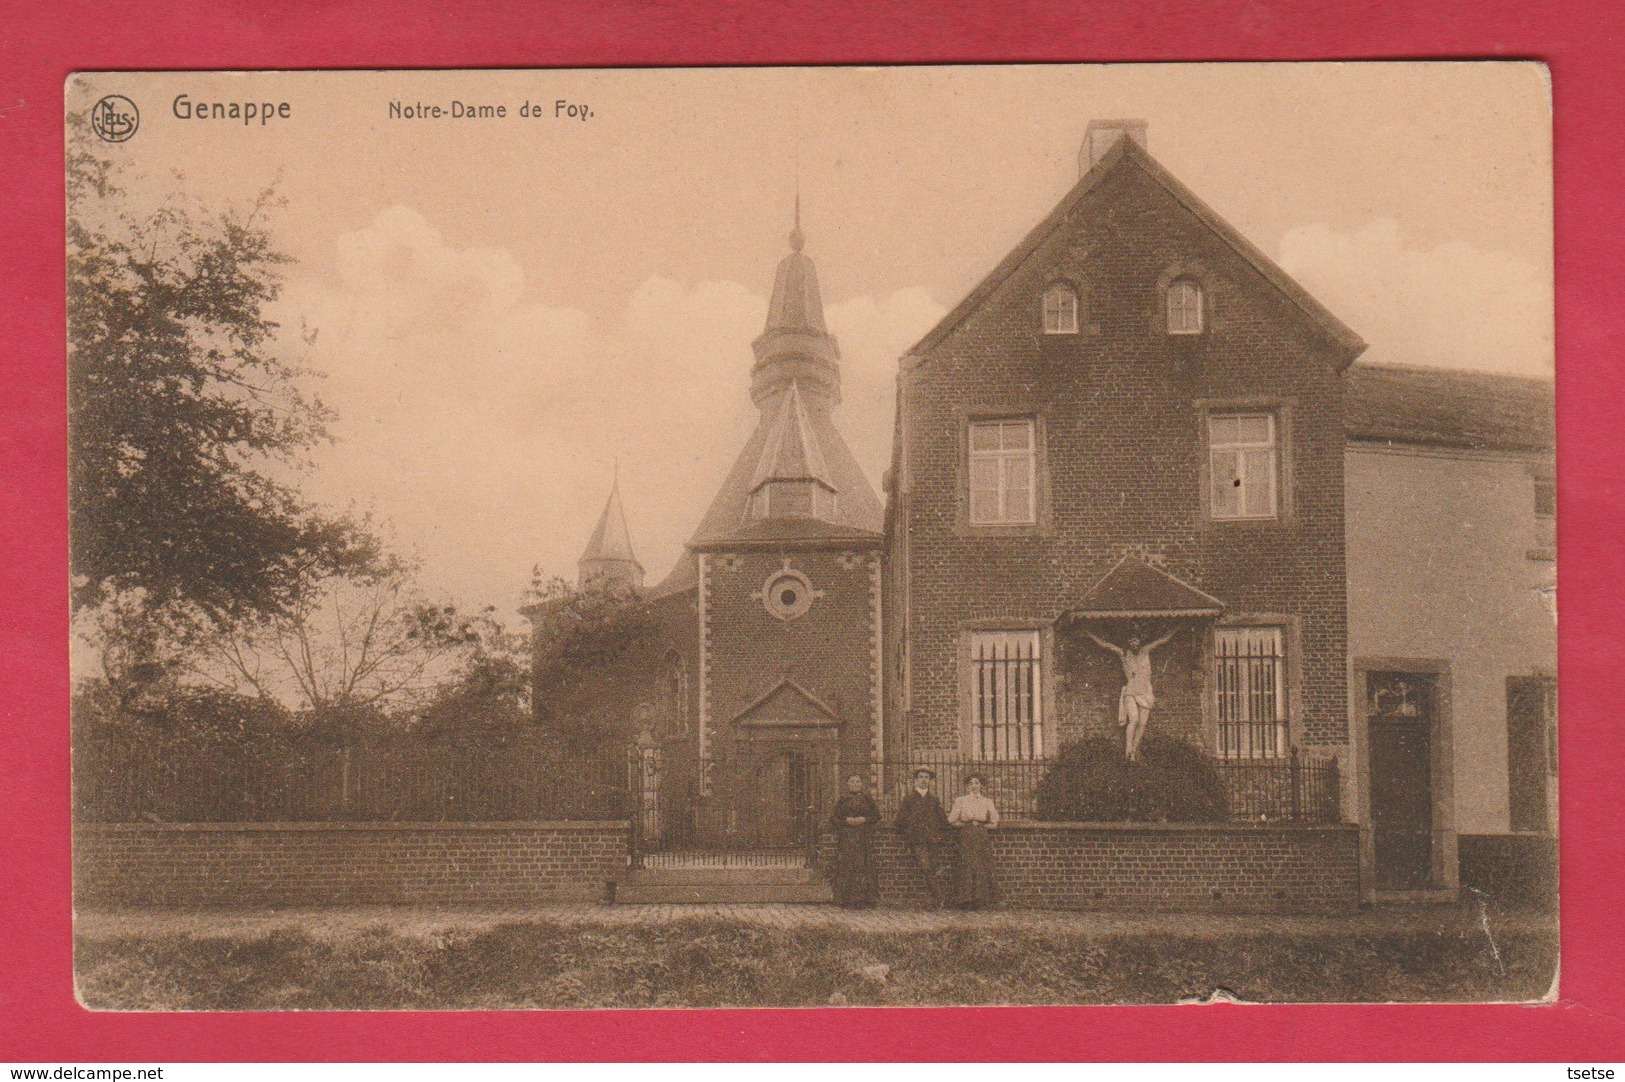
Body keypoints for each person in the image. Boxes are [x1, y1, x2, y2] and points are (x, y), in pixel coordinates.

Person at [1082, 626, 1177, 763]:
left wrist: (1175, 630)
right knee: (1134, 719)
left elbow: (1161, 641)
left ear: (1140, 641)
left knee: (1143, 724)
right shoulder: (1124, 654)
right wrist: (1090, 634)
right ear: (1128, 642)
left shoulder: (1145, 651)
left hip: (1145, 691)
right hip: (1131, 691)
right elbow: (1106, 645)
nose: (1134, 643)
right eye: (1131, 641)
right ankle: (1128, 751)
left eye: (1136, 640)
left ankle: (1133, 750)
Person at [894, 767, 952, 907]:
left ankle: (932, 900)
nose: (923, 780)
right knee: (926, 867)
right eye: (921, 777)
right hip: (917, 841)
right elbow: (899, 821)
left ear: (930, 781)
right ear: (915, 780)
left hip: (933, 840)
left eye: (926, 777)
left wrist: (939, 836)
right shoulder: (909, 799)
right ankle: (939, 897)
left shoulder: (934, 800)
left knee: (932, 868)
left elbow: (943, 821)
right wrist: (911, 831)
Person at [826, 774, 880, 908]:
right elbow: (833, 818)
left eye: (858, 781)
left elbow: (876, 816)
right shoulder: (843, 800)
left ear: (861, 784)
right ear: (847, 784)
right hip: (847, 837)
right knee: (847, 866)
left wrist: (865, 820)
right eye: (852, 782)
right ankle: (846, 900)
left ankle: (864, 900)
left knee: (863, 866)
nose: (855, 784)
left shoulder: (867, 799)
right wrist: (845, 821)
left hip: (863, 837)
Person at [948, 773, 1001, 909]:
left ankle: (980, 900)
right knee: (966, 865)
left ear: (981, 785)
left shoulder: (987, 801)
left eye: (976, 783)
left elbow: (994, 823)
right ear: (967, 786)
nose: (974, 786)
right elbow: (952, 820)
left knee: (981, 866)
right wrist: (967, 825)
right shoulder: (961, 800)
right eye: (971, 783)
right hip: (966, 836)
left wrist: (982, 826)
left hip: (981, 836)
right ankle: (965, 900)